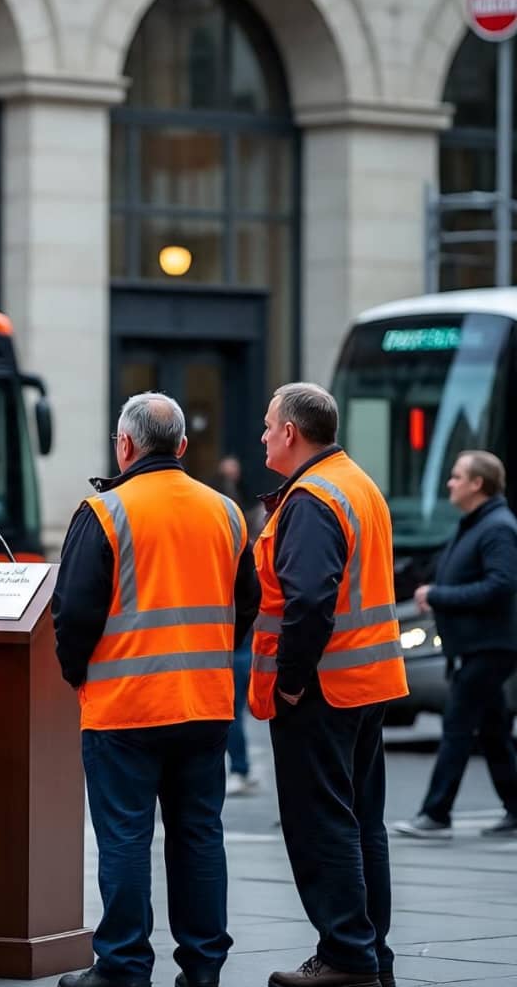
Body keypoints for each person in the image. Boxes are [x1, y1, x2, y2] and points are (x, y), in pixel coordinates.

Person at [53, 392, 260, 987]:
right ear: (184, 447)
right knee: (199, 837)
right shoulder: (224, 511)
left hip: (124, 708)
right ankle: (202, 967)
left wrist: (78, 676)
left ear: (125, 445)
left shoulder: (105, 512)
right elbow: (246, 604)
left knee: (124, 839)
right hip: (203, 703)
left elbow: (73, 614)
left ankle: (122, 965)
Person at [249, 382, 408, 987]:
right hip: (364, 683)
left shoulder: (312, 497)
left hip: (321, 689)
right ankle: (370, 956)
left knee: (325, 823)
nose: (263, 435)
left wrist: (290, 681)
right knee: (364, 821)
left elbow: (309, 599)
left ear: (291, 432)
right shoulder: (356, 483)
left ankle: (345, 956)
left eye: (268, 426)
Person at [394, 450, 517, 840]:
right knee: (494, 729)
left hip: (488, 646)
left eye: (457, 476)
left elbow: (501, 585)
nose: (450, 483)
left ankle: (436, 813)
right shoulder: (477, 523)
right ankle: (515, 808)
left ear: (477, 484)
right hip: (477, 645)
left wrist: (440, 595)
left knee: (458, 725)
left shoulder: (497, 528)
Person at [210, 456, 261, 797]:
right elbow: (250, 598)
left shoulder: (229, 531)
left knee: (230, 714)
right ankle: (240, 768)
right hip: (237, 643)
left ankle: (240, 768)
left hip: (231, 647)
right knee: (232, 713)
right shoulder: (241, 527)